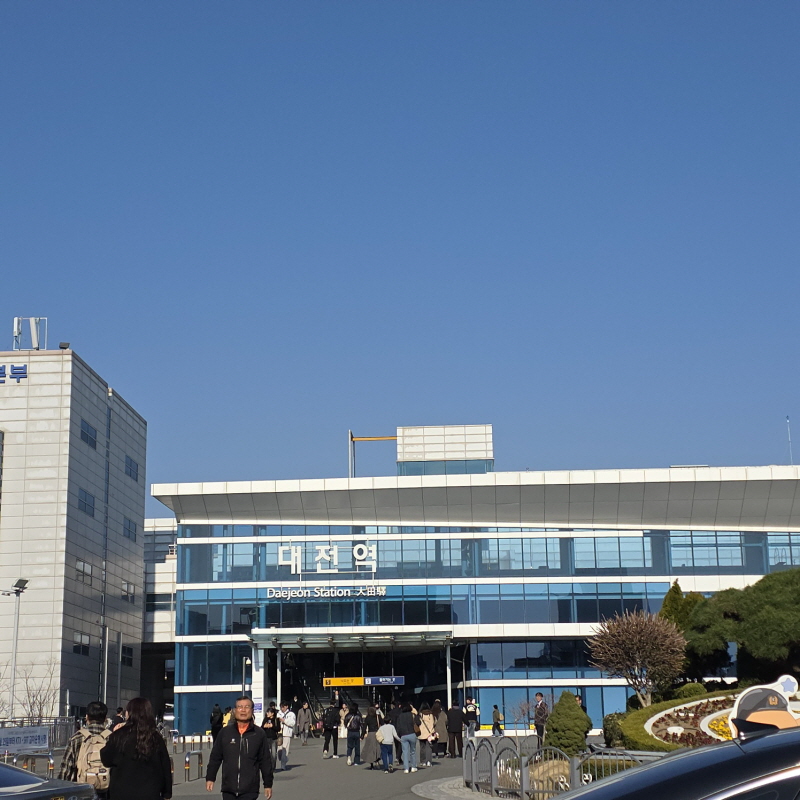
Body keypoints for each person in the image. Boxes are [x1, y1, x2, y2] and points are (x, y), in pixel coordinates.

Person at [100, 697, 172, 800]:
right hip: (150, 792)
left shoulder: (119, 735)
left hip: (121, 792)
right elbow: (165, 765)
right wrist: (167, 792)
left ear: (129, 713)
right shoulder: (155, 737)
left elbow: (106, 759)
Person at [206, 696, 273, 800]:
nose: (243, 710)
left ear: (252, 710)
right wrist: (210, 777)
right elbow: (215, 757)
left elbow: (265, 760)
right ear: (235, 710)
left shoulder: (258, 734)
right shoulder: (225, 732)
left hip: (250, 789)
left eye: (247, 707)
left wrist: (268, 784)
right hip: (229, 789)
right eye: (240, 707)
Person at [58, 700, 110, 794]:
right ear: (105, 718)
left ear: (87, 717)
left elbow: (65, 770)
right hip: (106, 791)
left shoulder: (76, 738)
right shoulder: (112, 738)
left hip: (81, 791)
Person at [395, 702, 418, 773]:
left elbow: (398, 727)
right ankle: (413, 767)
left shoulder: (400, 716)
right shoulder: (412, 715)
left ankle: (406, 768)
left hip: (403, 735)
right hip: (412, 733)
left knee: (405, 752)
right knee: (413, 751)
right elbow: (419, 722)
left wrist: (399, 735)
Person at [416, 702, 437, 767]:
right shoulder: (431, 715)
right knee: (429, 748)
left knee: (422, 748)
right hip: (429, 734)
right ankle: (429, 761)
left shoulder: (420, 715)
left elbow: (417, 723)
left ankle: (423, 761)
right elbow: (434, 723)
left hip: (421, 734)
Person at [277, 703, 296, 770]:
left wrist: (284, 721)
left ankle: (283, 765)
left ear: (286, 706)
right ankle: (285, 759)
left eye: (283, 707)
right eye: (281, 707)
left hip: (287, 734)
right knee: (279, 750)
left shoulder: (291, 714)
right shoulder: (278, 714)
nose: (282, 708)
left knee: (285, 750)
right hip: (279, 734)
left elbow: (292, 723)